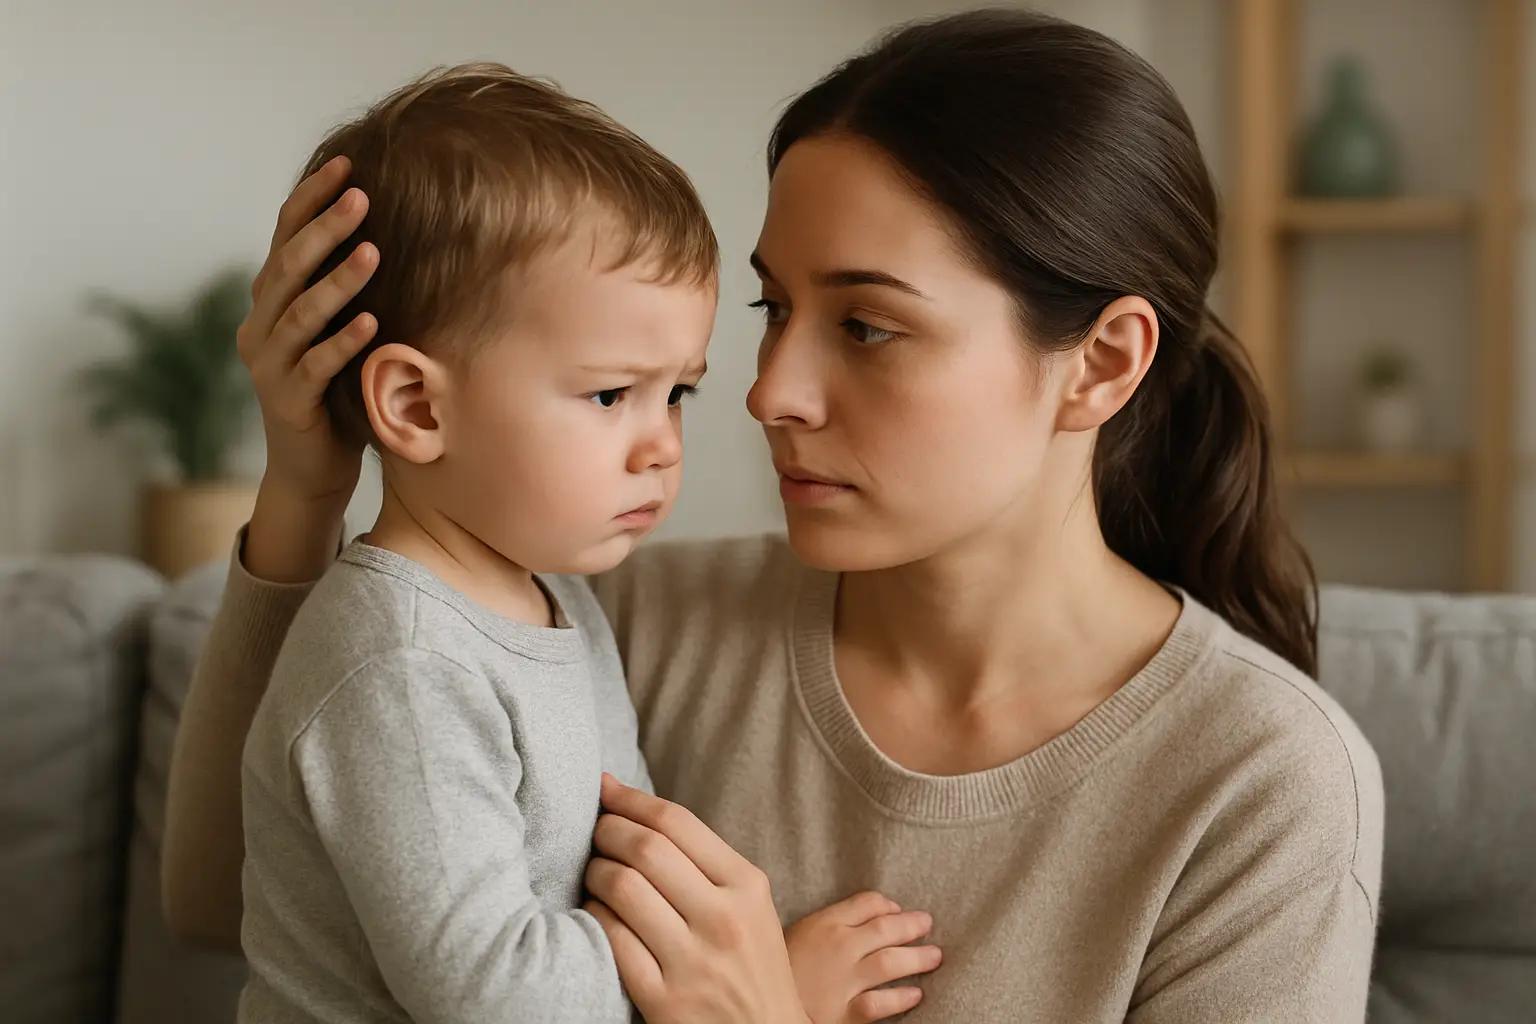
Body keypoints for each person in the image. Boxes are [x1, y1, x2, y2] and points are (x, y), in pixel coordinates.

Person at [164, 11, 1385, 1023]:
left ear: (1103, 363)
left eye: (866, 326)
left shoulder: (1261, 785)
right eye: (773, 312)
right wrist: (310, 491)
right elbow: (233, 900)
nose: (767, 394)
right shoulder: (613, 613)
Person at [229, 63, 937, 1024]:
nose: (661, 446)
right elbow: (500, 999)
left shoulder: (558, 606)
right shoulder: (398, 659)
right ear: (414, 404)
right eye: (611, 394)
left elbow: (621, 892)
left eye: (675, 393)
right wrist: (769, 988)